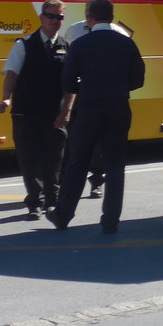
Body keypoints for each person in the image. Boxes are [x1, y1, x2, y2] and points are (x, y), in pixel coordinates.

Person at [46, 0, 145, 235]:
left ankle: (63, 215)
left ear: (90, 18)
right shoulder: (126, 44)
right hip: (119, 108)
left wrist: (88, 88)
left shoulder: (81, 44)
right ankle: (110, 221)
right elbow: (138, 79)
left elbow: (68, 80)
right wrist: (117, 88)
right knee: (115, 165)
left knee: (78, 162)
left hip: (89, 108)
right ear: (111, 17)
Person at [0, 0, 69, 220]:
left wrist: (66, 112)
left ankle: (52, 200)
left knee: (54, 159)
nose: (55, 21)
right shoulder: (24, 44)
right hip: (26, 113)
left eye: (59, 17)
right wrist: (6, 98)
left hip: (53, 115)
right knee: (29, 159)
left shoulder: (67, 47)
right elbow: (12, 73)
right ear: (41, 18)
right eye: (50, 16)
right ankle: (34, 203)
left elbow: (71, 85)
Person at [64, 12, 105, 198]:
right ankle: (68, 185)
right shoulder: (74, 30)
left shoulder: (117, 33)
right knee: (72, 137)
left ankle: (97, 180)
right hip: (78, 93)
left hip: (99, 94)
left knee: (98, 142)